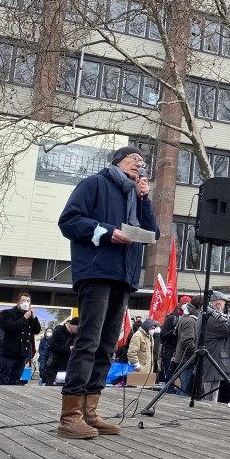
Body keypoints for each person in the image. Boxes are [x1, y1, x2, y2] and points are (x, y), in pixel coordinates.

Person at [57, 145, 160, 438]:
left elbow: (152, 234)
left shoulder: (136, 196)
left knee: (107, 345)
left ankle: (90, 411)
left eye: (142, 162)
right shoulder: (94, 184)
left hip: (123, 277)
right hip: (97, 272)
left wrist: (145, 199)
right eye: (134, 160)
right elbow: (69, 221)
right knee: (88, 342)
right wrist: (104, 231)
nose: (139, 166)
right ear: (117, 161)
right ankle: (70, 416)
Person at [0, 293, 41, 385]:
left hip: (22, 353)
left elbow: (37, 330)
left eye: (28, 301)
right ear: (18, 302)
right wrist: (24, 318)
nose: (26, 303)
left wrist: (33, 318)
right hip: (9, 353)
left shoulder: (29, 315)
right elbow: (11, 327)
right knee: (4, 378)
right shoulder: (8, 313)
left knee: (16, 379)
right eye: (23, 301)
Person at [45, 317, 79, 386]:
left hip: (70, 366)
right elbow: (52, 347)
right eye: (77, 328)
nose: (77, 330)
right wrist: (68, 348)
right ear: (73, 325)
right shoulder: (59, 331)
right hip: (56, 366)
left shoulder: (76, 334)